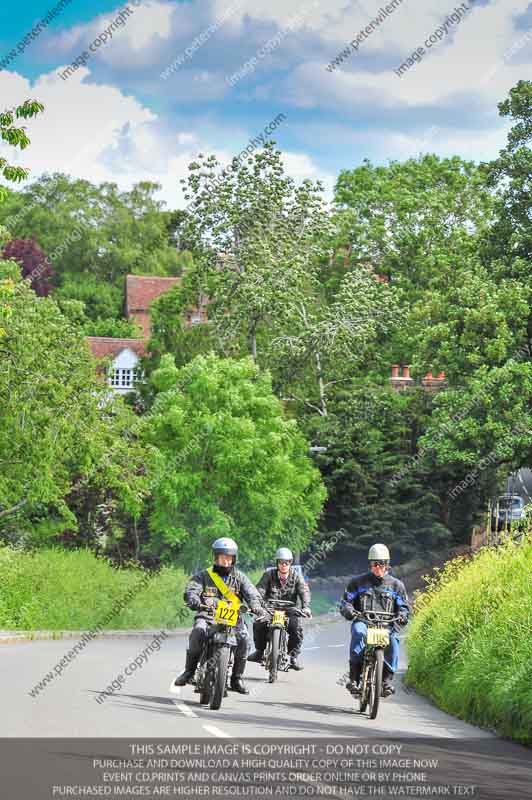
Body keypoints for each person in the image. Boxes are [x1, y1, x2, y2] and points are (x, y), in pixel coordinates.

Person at [172, 537, 264, 694]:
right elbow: (192, 589)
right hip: (208, 616)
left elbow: (252, 593)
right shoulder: (204, 576)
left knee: (244, 640)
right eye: (223, 558)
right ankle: (189, 672)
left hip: (233, 619)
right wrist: (193, 599)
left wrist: (256, 606)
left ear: (234, 559)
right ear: (216, 558)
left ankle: (236, 679)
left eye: (229, 558)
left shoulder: (240, 577)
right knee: (197, 632)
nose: (226, 562)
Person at [339, 543, 409, 697]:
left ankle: (386, 681)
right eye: (374, 564)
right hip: (363, 622)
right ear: (370, 564)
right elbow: (346, 602)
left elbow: (404, 608)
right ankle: (354, 678)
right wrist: (349, 611)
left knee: (393, 641)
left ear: (387, 565)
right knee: (358, 632)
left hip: (386, 626)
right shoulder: (357, 582)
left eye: (382, 564)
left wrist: (402, 616)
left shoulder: (397, 586)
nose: (378, 567)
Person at [247, 547, 312, 671]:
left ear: (290, 563)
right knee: (259, 623)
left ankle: (293, 657)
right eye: (281, 562)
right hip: (270, 609)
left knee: (296, 628)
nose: (283, 565)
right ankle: (259, 652)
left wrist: (306, 607)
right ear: (277, 563)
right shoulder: (268, 574)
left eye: (286, 562)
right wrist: (256, 606)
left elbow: (304, 591)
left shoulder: (297, 576)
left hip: (290, 610)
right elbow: (260, 590)